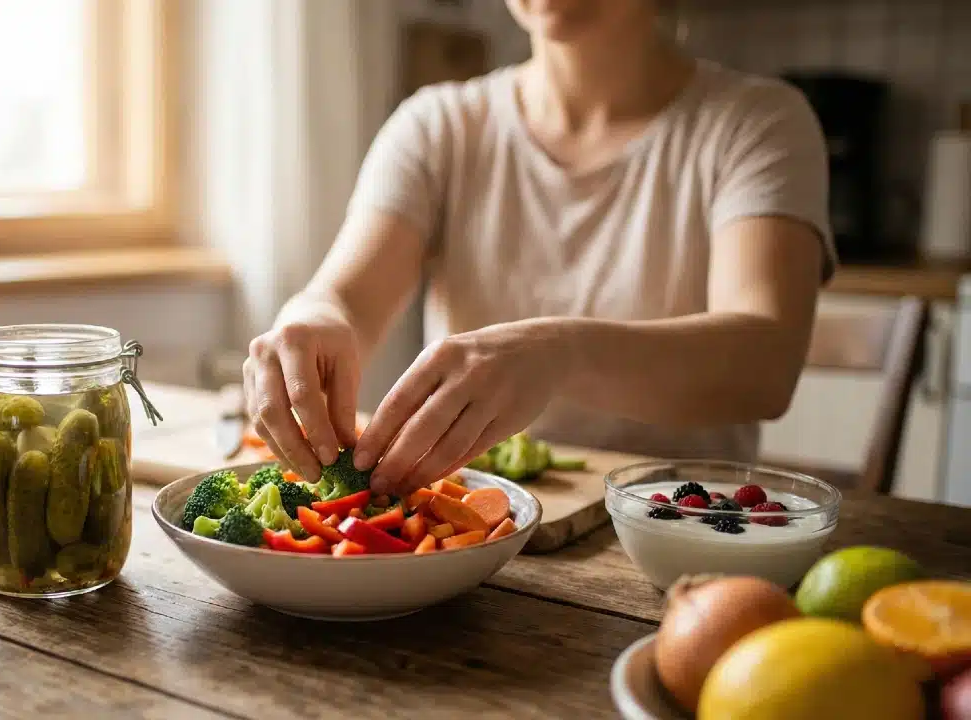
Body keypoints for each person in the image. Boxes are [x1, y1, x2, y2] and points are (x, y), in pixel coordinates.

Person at [243, 0, 834, 498]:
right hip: (480, 530)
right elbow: (344, 297)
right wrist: (308, 322)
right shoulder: (437, 125)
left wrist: (561, 354)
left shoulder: (760, 122)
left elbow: (767, 362)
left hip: (683, 527)